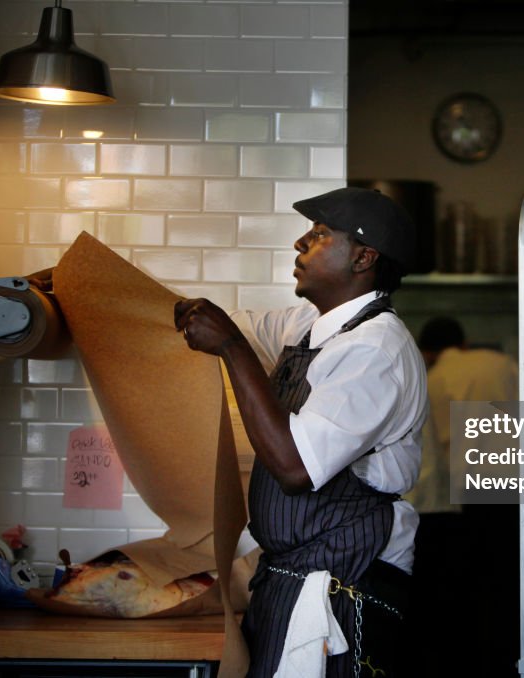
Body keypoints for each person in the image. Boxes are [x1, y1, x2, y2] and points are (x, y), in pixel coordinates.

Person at [174, 187, 428, 677]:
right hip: (294, 576)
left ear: (363, 257)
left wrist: (229, 345)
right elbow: (229, 327)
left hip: (342, 584)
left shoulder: (376, 350)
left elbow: (295, 468)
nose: (300, 244)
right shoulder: (311, 326)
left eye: (318, 235)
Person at [405, 316, 519, 676]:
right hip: (518, 489)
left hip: (469, 497)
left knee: (473, 588)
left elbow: (434, 450)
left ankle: (478, 663)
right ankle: (511, 661)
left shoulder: (435, 379)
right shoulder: (505, 364)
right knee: (510, 584)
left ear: (427, 352)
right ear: (464, 343)